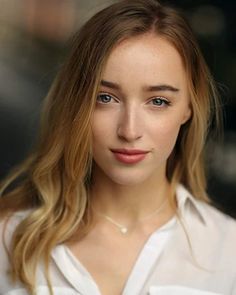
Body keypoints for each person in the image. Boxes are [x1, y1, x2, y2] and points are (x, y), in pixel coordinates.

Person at [0, 0, 236, 294]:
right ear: (77, 103)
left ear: (188, 107)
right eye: (106, 98)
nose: (129, 130)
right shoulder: (8, 238)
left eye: (158, 101)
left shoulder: (228, 251)